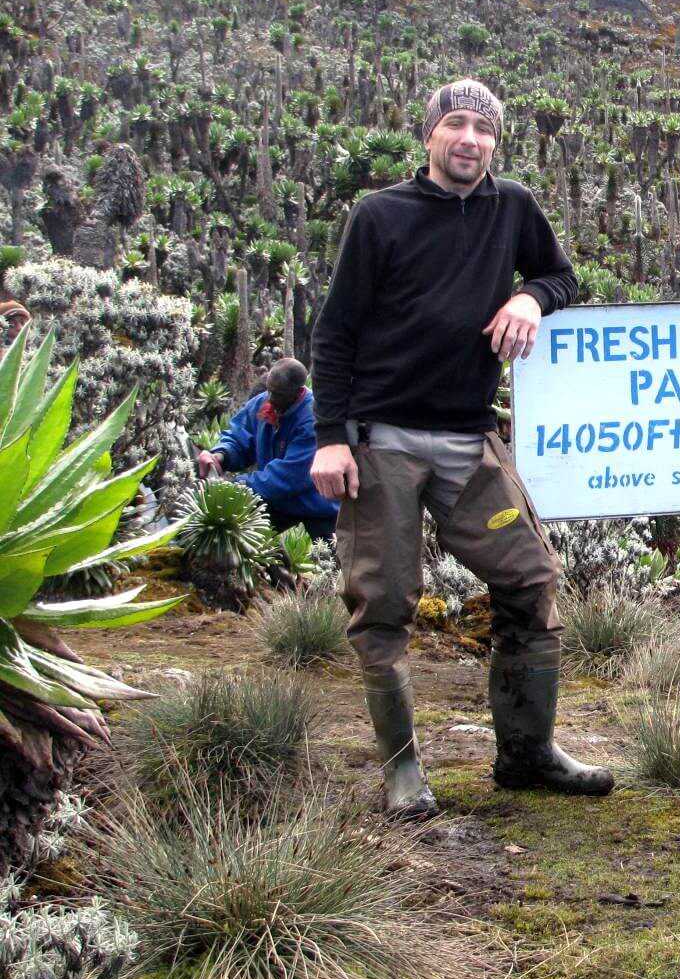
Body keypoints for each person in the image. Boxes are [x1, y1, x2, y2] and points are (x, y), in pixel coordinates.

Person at [309, 77, 609, 819]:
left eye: (485, 129)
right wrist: (330, 440)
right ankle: (403, 772)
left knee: (531, 580)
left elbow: (562, 275)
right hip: (383, 444)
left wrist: (528, 297)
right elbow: (335, 332)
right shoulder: (379, 216)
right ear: (430, 136)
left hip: (470, 438)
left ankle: (527, 754)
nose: (471, 139)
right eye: (458, 125)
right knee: (383, 605)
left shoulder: (514, 208)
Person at [197, 358, 340, 539]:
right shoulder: (265, 402)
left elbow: (287, 478)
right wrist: (221, 455)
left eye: (278, 394)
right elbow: (240, 435)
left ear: (298, 392)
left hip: (317, 504)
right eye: (269, 390)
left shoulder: (312, 420)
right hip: (278, 500)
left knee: (331, 560)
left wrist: (236, 486)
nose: (271, 399)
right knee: (236, 536)